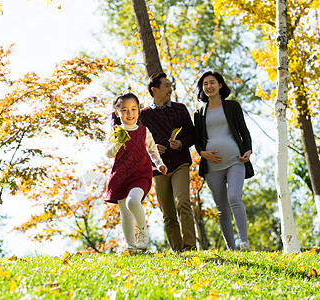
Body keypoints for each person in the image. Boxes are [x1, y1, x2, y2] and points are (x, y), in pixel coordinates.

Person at [193, 70, 254, 251]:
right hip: (212, 166)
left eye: (212, 82)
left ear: (220, 85)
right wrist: (203, 153)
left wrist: (248, 149)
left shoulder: (232, 106)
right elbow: (197, 140)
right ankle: (232, 249)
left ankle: (244, 242)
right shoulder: (199, 113)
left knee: (234, 196)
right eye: (205, 84)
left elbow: (244, 130)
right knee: (222, 208)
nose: (209, 87)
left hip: (236, 160)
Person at [140, 72, 197, 252]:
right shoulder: (143, 115)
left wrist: (180, 143)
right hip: (158, 169)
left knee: (182, 202)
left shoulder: (179, 109)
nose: (170, 89)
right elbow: (138, 142)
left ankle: (190, 248)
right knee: (168, 215)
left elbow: (193, 134)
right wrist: (152, 148)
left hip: (180, 163)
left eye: (170, 85)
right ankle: (178, 252)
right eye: (166, 86)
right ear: (153, 89)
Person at [105, 92, 168, 252]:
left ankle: (143, 233)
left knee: (132, 202)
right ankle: (131, 247)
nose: (130, 113)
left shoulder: (143, 131)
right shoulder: (115, 131)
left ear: (138, 110)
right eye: (124, 110)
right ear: (117, 112)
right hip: (121, 175)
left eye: (133, 109)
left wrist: (159, 164)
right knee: (125, 214)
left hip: (140, 173)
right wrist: (118, 142)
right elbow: (109, 153)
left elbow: (153, 150)